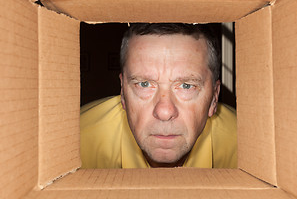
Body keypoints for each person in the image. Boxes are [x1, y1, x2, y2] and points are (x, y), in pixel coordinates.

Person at [80, 23, 237, 168]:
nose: (164, 112)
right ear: (122, 92)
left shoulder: (244, 146)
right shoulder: (77, 141)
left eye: (186, 86)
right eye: (144, 84)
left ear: (214, 98)